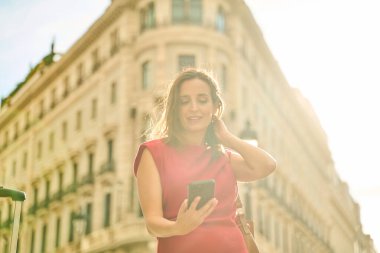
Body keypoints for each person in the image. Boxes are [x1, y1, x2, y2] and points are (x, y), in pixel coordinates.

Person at [133, 68, 276, 253]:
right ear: (175, 108)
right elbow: (152, 222)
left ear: (215, 107)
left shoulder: (223, 157)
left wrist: (227, 138)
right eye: (185, 101)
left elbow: (267, 165)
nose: (194, 107)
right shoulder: (153, 153)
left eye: (202, 100)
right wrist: (178, 227)